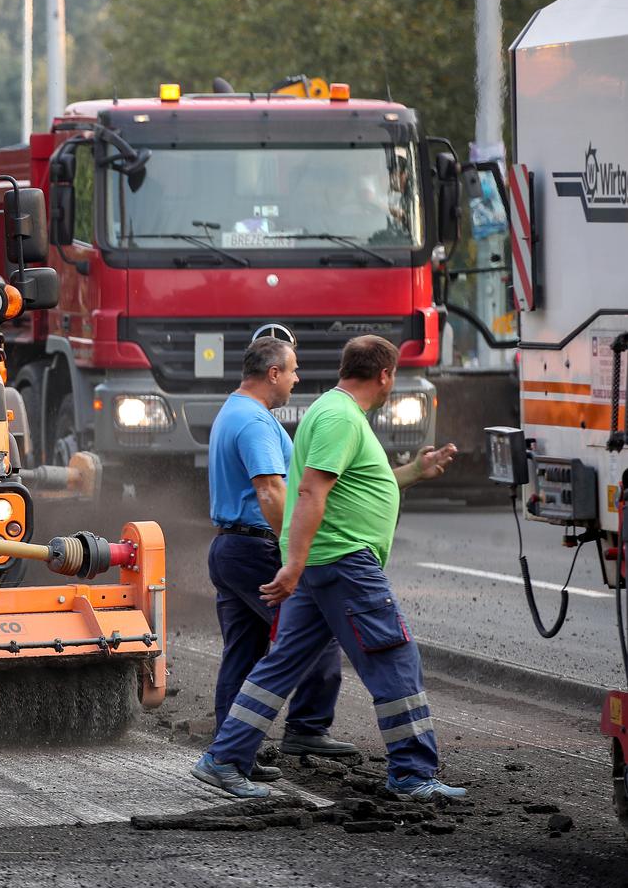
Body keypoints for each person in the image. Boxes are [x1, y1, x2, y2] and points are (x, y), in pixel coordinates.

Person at [193, 335, 461, 801]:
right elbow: (311, 492)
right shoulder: (339, 417)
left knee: (281, 664)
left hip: (325, 562)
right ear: (384, 376)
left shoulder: (329, 411)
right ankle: (413, 774)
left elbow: (345, 486)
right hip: (343, 562)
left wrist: (415, 472)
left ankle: (224, 757)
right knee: (394, 658)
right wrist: (292, 562)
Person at [207, 336, 356, 785]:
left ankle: (231, 755)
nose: (297, 378)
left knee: (244, 653)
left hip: (230, 547)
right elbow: (270, 490)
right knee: (313, 633)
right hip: (255, 547)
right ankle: (307, 728)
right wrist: (294, 550)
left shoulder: (232, 410)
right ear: (273, 373)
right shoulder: (254, 422)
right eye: (293, 370)